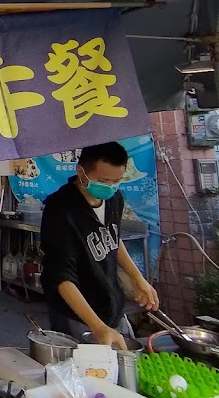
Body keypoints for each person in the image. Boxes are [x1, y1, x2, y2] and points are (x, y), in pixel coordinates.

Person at [41, 142, 159, 350]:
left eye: (117, 181)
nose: (110, 187)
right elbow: (60, 276)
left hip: (110, 302)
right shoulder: (60, 208)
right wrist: (97, 326)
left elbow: (113, 240)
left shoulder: (115, 199)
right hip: (76, 313)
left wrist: (138, 278)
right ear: (81, 171)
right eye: (104, 181)